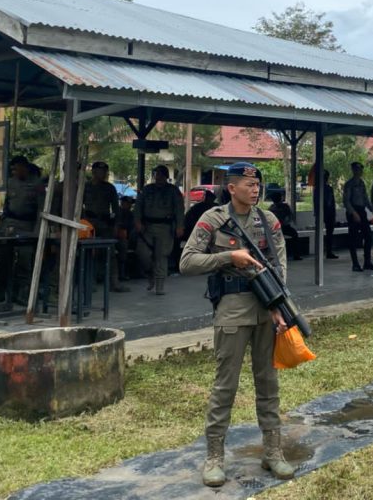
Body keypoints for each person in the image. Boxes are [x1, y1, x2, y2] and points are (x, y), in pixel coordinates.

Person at [180, 162, 295, 487]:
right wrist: (229, 258)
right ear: (232, 188)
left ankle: (273, 451)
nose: (255, 188)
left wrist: (278, 305)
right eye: (248, 183)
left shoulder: (268, 220)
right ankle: (214, 456)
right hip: (231, 311)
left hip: (265, 310)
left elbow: (280, 263)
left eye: (257, 183)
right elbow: (186, 261)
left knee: (268, 384)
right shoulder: (212, 219)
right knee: (225, 386)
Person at [0, 156, 46, 303]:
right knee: (4, 259)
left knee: (24, 261)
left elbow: (41, 209)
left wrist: (38, 230)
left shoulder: (37, 184)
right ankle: (4, 293)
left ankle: (22, 293)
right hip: (10, 224)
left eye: (16, 168)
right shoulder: (10, 183)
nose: (14, 172)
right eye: (12, 169)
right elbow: (6, 205)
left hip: (27, 225)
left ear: (24, 168)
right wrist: (3, 226)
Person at [135, 165, 185, 295]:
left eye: (161, 175)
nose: (158, 177)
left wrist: (180, 225)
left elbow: (179, 209)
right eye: (156, 174)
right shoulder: (147, 190)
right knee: (143, 254)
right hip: (147, 227)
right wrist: (138, 221)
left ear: (166, 176)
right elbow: (138, 206)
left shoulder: (173, 191)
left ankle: (159, 285)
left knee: (161, 256)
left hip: (165, 227)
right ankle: (151, 274)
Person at [82, 161, 128, 293]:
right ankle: (90, 282)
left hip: (105, 223)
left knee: (110, 252)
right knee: (90, 252)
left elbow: (115, 209)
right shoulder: (86, 187)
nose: (103, 174)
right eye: (100, 171)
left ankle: (115, 282)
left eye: (105, 172)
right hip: (89, 223)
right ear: (94, 172)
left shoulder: (109, 188)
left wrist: (115, 225)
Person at [342, 162, 373, 272]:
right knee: (353, 238)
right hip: (353, 212)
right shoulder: (349, 184)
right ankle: (355, 264)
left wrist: (372, 210)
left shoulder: (361, 183)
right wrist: (353, 213)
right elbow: (346, 201)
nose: (358, 172)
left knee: (368, 237)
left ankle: (367, 262)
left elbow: (365, 199)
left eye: (360, 170)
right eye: (356, 169)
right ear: (353, 170)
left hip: (362, 210)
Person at [268, 192, 303, 261]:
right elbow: (290, 217)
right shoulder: (284, 206)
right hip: (283, 227)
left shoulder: (271, 208)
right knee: (295, 234)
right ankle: (296, 255)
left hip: (276, 228)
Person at [313, 170, 338, 259]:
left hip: (329, 212)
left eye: (326, 177)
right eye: (325, 177)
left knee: (329, 233)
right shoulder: (318, 188)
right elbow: (316, 202)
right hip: (322, 212)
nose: (326, 178)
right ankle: (320, 251)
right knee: (321, 233)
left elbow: (332, 202)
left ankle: (329, 251)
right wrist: (316, 212)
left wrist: (334, 213)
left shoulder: (328, 188)